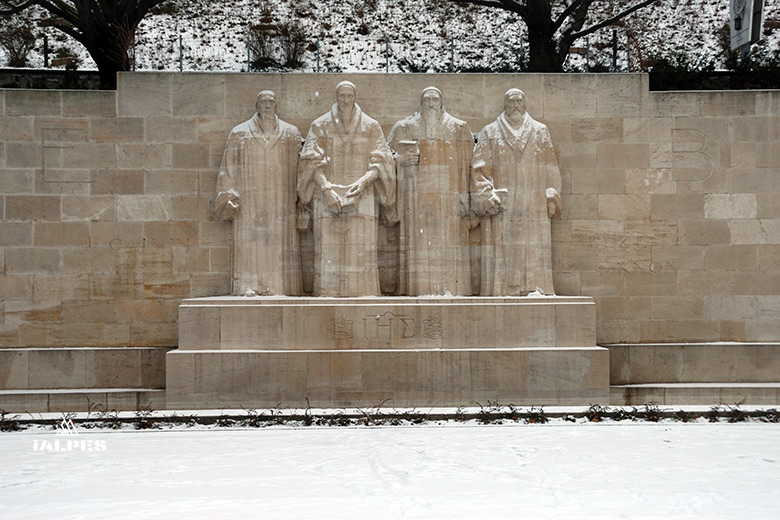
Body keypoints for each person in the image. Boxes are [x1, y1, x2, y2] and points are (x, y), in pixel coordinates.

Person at [298, 81, 395, 297]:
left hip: (363, 195)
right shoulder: (320, 125)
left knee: (361, 254)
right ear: (336, 97)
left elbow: (382, 161)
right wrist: (327, 189)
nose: (346, 100)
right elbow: (310, 161)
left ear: (355, 97)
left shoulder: (370, 126)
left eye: (350, 96)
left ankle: (363, 297)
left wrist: (361, 185)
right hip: (327, 196)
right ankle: (328, 297)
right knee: (328, 254)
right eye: (342, 96)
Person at [471, 88, 563, 296]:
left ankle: (536, 288)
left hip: (533, 202)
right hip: (504, 203)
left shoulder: (540, 131)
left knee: (533, 248)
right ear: (505, 104)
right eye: (511, 101)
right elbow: (479, 169)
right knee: (503, 248)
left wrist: (551, 194)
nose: (515, 105)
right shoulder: (490, 132)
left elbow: (551, 166)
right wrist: (487, 196)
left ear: (524, 104)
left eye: (519, 101)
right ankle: (502, 289)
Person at [215, 90, 303, 296]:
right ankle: (250, 285)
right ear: (257, 106)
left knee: (279, 242)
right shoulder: (240, 133)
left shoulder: (290, 133)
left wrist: (302, 200)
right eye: (263, 102)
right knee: (251, 241)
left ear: (276, 106)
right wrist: (228, 195)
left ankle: (279, 286)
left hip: (281, 199)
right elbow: (227, 167)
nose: (267, 105)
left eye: (271, 102)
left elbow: (302, 167)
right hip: (249, 200)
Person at [388, 86, 474, 296]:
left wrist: (465, 196)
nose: (431, 104)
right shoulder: (405, 128)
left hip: (449, 199)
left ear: (442, 103)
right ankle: (418, 289)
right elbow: (386, 160)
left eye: (435, 100)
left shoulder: (458, 128)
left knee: (449, 245)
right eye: (427, 100)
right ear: (421, 104)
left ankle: (451, 289)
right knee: (419, 244)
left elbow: (468, 166)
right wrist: (400, 161)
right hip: (415, 198)